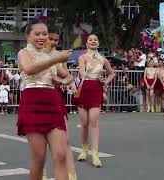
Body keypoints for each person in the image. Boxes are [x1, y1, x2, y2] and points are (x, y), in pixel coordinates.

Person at [17, 19, 72, 180]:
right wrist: (56, 59)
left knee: (60, 155)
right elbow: (29, 69)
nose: (42, 37)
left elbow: (67, 76)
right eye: (37, 34)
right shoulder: (24, 53)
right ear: (27, 36)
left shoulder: (52, 54)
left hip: (53, 103)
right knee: (39, 159)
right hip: (32, 102)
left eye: (45, 34)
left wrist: (63, 81)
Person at [42, 23, 77, 180]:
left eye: (56, 39)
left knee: (65, 139)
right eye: (51, 38)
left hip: (56, 97)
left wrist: (66, 81)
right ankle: (41, 175)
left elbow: (67, 75)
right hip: (39, 96)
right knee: (41, 142)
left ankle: (71, 175)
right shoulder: (33, 54)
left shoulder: (60, 55)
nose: (54, 42)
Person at [74, 34, 115, 167]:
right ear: (87, 43)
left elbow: (111, 73)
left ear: (98, 43)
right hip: (83, 88)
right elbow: (81, 72)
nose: (93, 41)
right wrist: (84, 72)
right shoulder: (82, 57)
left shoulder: (103, 59)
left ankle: (95, 154)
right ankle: (84, 149)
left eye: (95, 40)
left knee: (94, 121)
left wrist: (105, 82)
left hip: (96, 89)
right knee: (84, 122)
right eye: (90, 40)